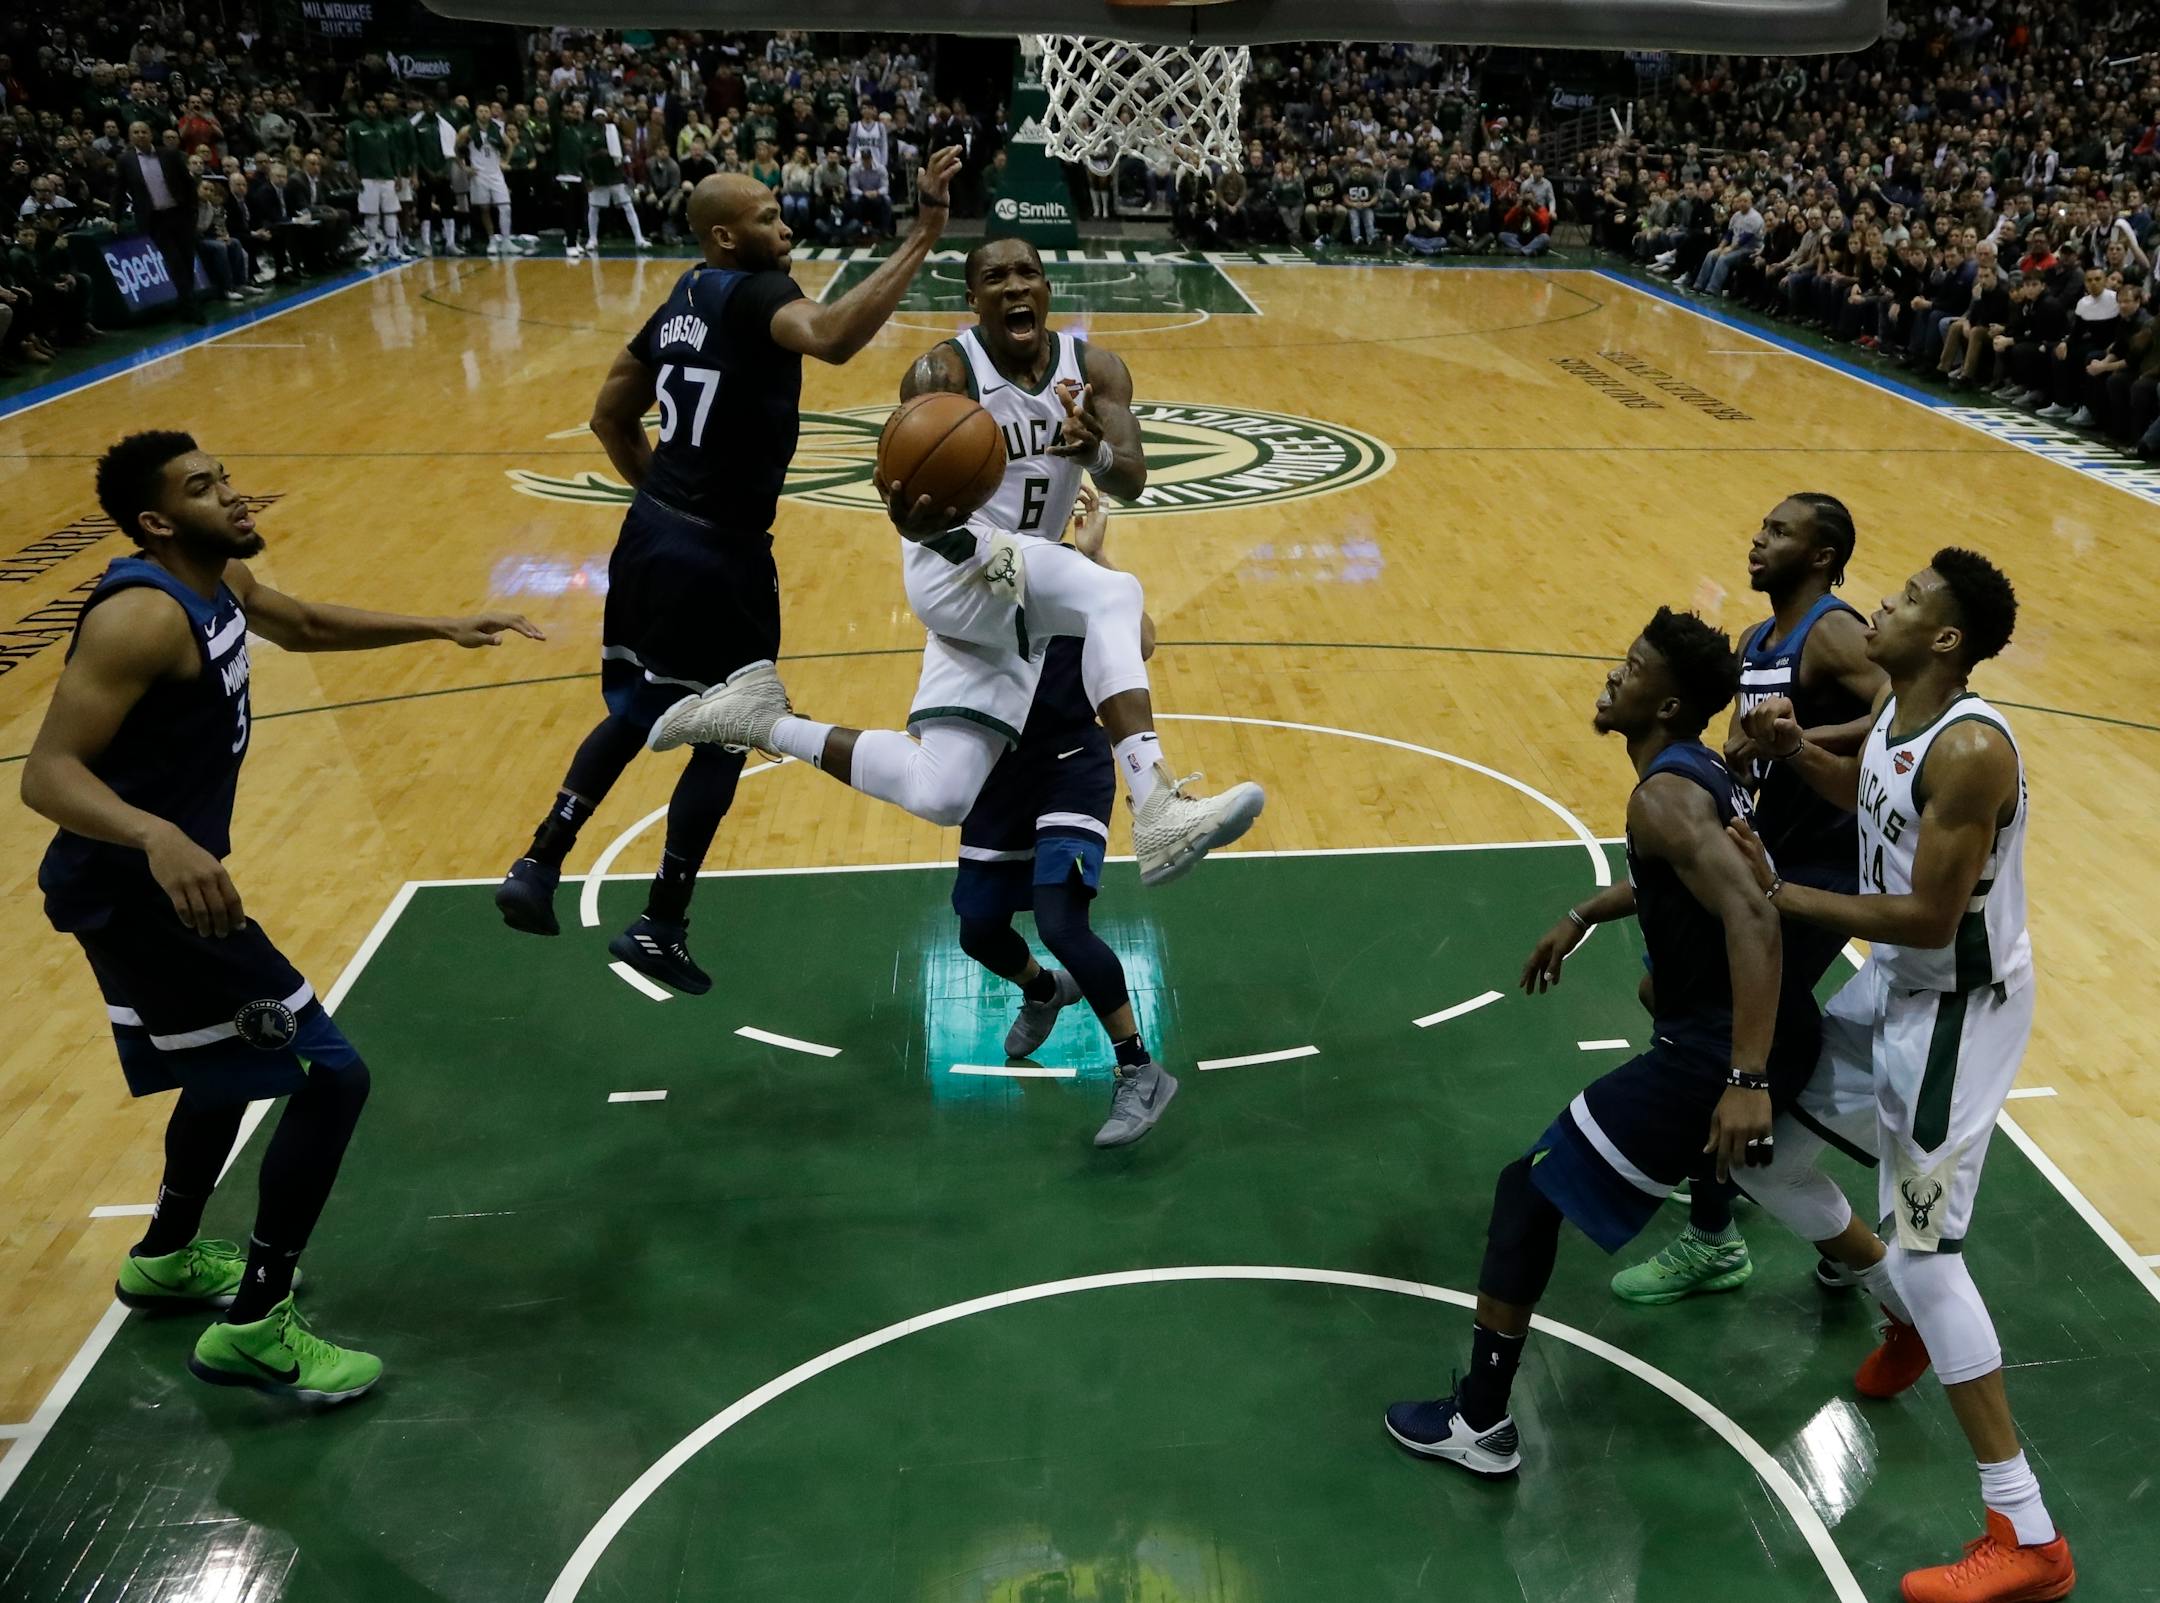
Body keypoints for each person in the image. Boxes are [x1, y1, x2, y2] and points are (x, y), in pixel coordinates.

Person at [19, 432, 539, 1403]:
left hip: (141, 889)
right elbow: (47, 773)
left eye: (227, 476)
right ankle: (258, 1324)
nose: (236, 494)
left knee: (222, 1070)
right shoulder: (141, 616)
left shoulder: (219, 580)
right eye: (205, 487)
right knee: (328, 1076)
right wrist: (160, 838)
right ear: (157, 521)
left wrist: (440, 625)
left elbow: (297, 622)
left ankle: (167, 1255)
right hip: (147, 897)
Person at [647, 236, 1267, 892]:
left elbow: (1133, 480)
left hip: (1011, 580)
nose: (1015, 286)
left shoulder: (1098, 370)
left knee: (942, 790)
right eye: (995, 277)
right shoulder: (943, 373)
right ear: (972, 299)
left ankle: (759, 717)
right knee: (1115, 594)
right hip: (953, 560)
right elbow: (902, 487)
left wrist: (1097, 458)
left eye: (1028, 271)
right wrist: (914, 524)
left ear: (1048, 290)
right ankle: (1157, 804)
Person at [495, 148, 966, 993]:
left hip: (650, 536)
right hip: (720, 555)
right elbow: (831, 336)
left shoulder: (683, 296)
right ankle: (661, 922)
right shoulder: (759, 294)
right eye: (766, 216)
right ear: (724, 235)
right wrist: (923, 234)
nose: (784, 226)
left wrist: (665, 503)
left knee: (641, 706)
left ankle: (539, 860)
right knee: (729, 727)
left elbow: (609, 416)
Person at [1724, 549, 2073, 1603]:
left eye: (1911, 598)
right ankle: (1910, 1317)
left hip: (1953, 1020)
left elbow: (1927, 914)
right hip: (1897, 992)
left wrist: (1781, 896)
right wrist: (1796, 751)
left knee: (1929, 1253)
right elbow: (1871, 789)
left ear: (1947, 639)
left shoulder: (1970, 750)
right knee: (1761, 1145)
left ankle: (2028, 1534)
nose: (1885, 600)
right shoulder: (1902, 709)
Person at [1385, 608, 1779, 1477]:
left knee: (1525, 1193)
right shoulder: (1698, 769)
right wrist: (1586, 910)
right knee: (1818, 1203)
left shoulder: (1665, 793)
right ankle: (1890, 1303)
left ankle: (1481, 1423)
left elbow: (1752, 911)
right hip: (1728, 1038)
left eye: (1632, 666)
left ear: (1667, 703)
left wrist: (1745, 1074)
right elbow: (1686, 878)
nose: (1612, 674)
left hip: (1709, 1051)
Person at [1610, 494, 1885, 1306]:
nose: (1757, 540)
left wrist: (1798, 740)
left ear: (1824, 554)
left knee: (1723, 1029)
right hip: (1765, 855)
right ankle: (1752, 1170)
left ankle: (1715, 1234)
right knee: (1665, 990)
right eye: (1760, 527)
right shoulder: (1759, 640)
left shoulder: (1832, 629)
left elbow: (1902, 719)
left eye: (1779, 532)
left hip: (1823, 872)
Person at [952, 494, 1176, 1148]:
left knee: (1061, 922)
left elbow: (1144, 642)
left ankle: (1139, 1066)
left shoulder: (1077, 575)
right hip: (1001, 768)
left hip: (1074, 761)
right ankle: (1045, 989)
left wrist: (1096, 554)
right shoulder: (980, 564)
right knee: (977, 931)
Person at [115, 120, 203, 323]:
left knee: (187, 259)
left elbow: (188, 183)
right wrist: (115, 217)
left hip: (179, 215)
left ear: (151, 134)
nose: (140, 135)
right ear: (130, 137)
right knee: (175, 262)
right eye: (135, 132)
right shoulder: (125, 160)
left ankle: (185, 302)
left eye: (143, 131)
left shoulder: (169, 155)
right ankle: (191, 306)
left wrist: (192, 210)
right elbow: (119, 190)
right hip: (155, 219)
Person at [345, 95, 403, 263]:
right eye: (368, 106)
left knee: (391, 212)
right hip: (367, 176)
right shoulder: (355, 127)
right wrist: (353, 173)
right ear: (363, 109)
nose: (371, 109)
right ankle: (371, 248)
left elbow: (395, 154)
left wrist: (398, 175)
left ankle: (393, 247)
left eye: (373, 107)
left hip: (387, 176)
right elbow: (351, 152)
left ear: (378, 109)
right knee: (371, 213)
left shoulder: (387, 128)